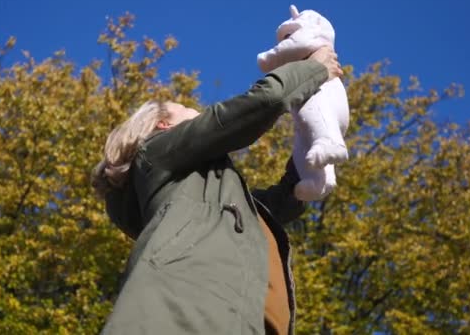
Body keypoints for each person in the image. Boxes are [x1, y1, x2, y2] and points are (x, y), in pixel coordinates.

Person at [92, 47, 342, 334]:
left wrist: (312, 146)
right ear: (163, 124)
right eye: (186, 108)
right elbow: (258, 105)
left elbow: (276, 204)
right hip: (185, 315)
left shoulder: (213, 201)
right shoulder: (156, 152)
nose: (197, 110)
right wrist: (314, 68)